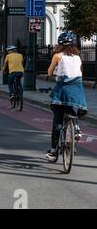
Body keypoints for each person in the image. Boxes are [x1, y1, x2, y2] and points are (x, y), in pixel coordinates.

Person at [45, 32, 87, 161]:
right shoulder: (77, 57)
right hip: (77, 90)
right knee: (73, 112)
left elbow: (49, 72)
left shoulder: (57, 56)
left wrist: (56, 73)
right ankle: (76, 128)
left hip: (63, 90)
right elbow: (79, 72)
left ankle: (53, 152)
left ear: (60, 44)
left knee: (57, 122)